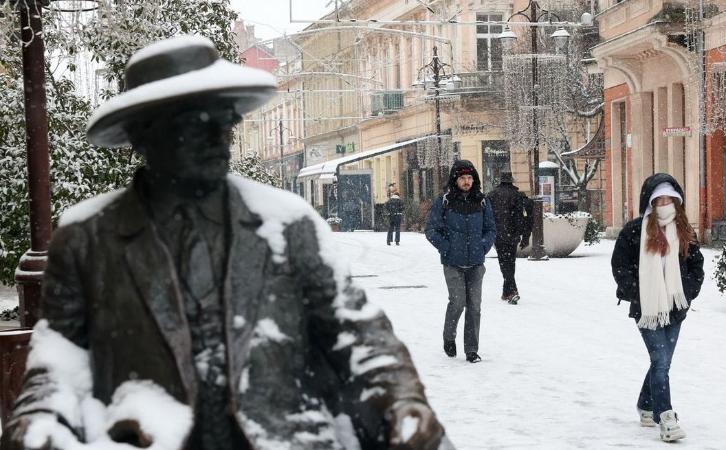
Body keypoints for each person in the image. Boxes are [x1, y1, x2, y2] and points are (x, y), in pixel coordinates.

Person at [2, 36, 450, 450]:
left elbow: (358, 334)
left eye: (225, 121)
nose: (220, 137)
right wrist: (39, 417)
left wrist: (401, 400)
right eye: (198, 125)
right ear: (144, 135)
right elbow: (58, 359)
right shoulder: (87, 238)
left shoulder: (288, 224)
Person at [610, 173, 704, 443]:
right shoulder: (634, 231)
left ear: (677, 201)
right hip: (647, 308)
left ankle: (646, 404)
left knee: (662, 363)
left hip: (675, 308)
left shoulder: (685, 230)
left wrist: (688, 292)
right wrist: (637, 294)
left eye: (669, 199)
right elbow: (621, 266)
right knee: (661, 362)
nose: (664, 203)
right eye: (659, 199)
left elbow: (696, 266)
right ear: (651, 202)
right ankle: (666, 417)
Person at [425, 160, 496, 364]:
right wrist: (446, 248)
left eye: (470, 178)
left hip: (476, 263)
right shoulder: (444, 202)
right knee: (457, 303)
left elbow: (491, 229)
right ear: (455, 180)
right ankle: (449, 337)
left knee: (474, 307)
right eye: (463, 178)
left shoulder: (482, 202)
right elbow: (431, 230)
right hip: (453, 263)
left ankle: (472, 350)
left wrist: (483, 246)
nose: (467, 182)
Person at [486, 170, 530, 304]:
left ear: (500, 180)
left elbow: (487, 216)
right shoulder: (518, 195)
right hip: (513, 234)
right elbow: (525, 218)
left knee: (503, 262)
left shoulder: (491, 195)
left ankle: (511, 290)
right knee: (510, 262)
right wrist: (525, 236)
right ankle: (508, 291)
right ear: (511, 181)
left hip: (498, 235)